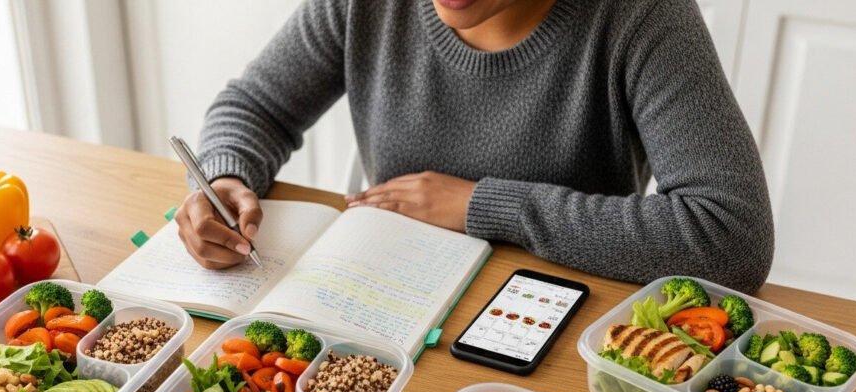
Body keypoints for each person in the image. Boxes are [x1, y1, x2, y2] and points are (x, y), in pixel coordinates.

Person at [175, 0, 774, 293]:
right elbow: (256, 107)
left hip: (553, 322)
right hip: (390, 303)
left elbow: (732, 235)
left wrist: (486, 207)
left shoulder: (642, 15)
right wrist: (225, 176)